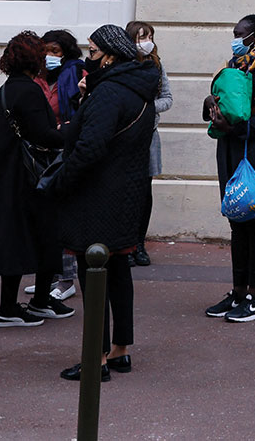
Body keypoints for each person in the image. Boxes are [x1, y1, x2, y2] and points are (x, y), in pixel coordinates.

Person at [45, 24, 158, 381]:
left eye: (93, 52)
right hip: (128, 194)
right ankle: (120, 349)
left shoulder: (109, 92)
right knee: (119, 272)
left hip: (98, 197)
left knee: (94, 274)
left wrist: (61, 183)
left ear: (109, 56)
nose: (88, 58)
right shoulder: (137, 88)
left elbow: (90, 147)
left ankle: (96, 358)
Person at [0, 31, 73, 327]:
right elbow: (44, 135)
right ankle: (12, 307)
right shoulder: (29, 91)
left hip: (9, 173)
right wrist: (70, 129)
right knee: (42, 234)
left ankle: (34, 301)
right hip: (28, 177)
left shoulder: (6, 89)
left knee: (20, 237)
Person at [202, 14, 255, 323]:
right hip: (229, 148)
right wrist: (212, 105)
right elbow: (226, 101)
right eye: (234, 33)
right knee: (237, 221)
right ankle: (238, 292)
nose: (236, 39)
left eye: (241, 34)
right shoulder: (235, 65)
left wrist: (239, 129)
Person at [35, 29, 85, 301]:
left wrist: (64, 127)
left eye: (55, 51)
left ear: (66, 52)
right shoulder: (40, 78)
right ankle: (50, 275)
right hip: (42, 152)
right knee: (45, 219)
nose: (49, 56)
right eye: (45, 50)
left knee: (62, 215)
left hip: (65, 150)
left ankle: (66, 279)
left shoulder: (75, 74)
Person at [126, 20, 175, 266]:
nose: (144, 42)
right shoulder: (121, 65)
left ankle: (140, 244)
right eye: (139, 37)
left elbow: (167, 98)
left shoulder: (157, 65)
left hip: (149, 135)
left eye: (148, 37)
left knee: (145, 191)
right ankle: (124, 244)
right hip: (124, 136)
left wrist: (147, 110)